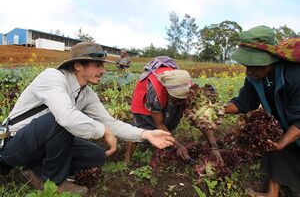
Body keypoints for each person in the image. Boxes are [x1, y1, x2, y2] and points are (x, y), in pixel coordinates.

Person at [0, 42, 175, 195]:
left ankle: (35, 171)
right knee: (60, 121)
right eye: (98, 65)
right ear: (78, 65)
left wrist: (146, 134)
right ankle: (55, 183)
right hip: (14, 144)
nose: (103, 70)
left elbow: (109, 122)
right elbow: (66, 117)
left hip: (40, 145)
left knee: (97, 156)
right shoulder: (52, 77)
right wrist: (102, 131)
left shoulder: (86, 94)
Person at [224, 25, 300, 197]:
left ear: (271, 59)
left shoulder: (295, 75)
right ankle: (272, 193)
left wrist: (282, 142)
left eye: (254, 65)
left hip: (297, 128)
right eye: (246, 65)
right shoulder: (254, 76)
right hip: (287, 127)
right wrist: (219, 110)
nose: (248, 71)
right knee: (270, 134)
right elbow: (245, 101)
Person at [125, 56, 223, 164]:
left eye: (182, 99)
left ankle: (157, 154)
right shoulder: (155, 92)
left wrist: (214, 147)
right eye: (177, 99)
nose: (180, 102)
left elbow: (202, 120)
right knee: (139, 127)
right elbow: (159, 124)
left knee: (169, 123)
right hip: (143, 99)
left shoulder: (190, 89)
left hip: (166, 98)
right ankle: (127, 161)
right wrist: (178, 146)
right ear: (168, 92)